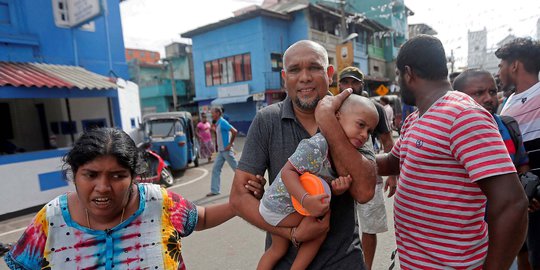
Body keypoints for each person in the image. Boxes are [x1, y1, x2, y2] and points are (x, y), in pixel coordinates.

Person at [375, 35, 528, 269]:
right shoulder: (415, 119)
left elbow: (512, 204)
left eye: (398, 75)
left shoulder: (462, 115)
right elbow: (390, 163)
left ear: (408, 73)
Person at [230, 40, 377, 269]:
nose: (305, 77)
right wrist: (293, 233)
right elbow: (239, 199)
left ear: (329, 73)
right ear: (284, 77)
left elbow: (365, 191)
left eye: (314, 68)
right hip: (285, 262)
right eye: (295, 70)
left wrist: (328, 121)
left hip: (344, 261)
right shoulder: (267, 120)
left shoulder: (351, 114)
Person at [3, 128, 237, 269]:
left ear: (133, 177)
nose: (103, 187)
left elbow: (201, 218)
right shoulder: (51, 218)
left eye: (117, 176)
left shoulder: (159, 202)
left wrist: (237, 205)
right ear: (75, 174)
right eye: (91, 175)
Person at [258, 95, 379, 270]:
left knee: (277, 249)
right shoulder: (317, 146)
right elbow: (287, 173)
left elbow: (318, 183)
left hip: (287, 204)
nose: (364, 135)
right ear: (337, 117)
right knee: (320, 228)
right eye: (360, 125)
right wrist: (306, 200)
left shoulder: (350, 150)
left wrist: (336, 190)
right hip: (278, 206)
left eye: (369, 131)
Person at [454, 69, 531, 269]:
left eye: (492, 91)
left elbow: (522, 165)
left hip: (504, 231)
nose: (489, 98)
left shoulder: (509, 125)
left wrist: (528, 191)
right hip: (466, 238)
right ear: (458, 97)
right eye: (478, 93)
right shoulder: (449, 132)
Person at [338, 66, 397, 270]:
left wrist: (393, 175)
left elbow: (388, 142)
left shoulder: (375, 108)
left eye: (354, 82)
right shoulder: (332, 107)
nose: (350, 86)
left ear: (362, 84)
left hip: (368, 174)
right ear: (339, 85)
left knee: (369, 227)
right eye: (345, 82)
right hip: (337, 177)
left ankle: (366, 267)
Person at [496, 37, 540, 269]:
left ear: (514, 66)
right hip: (521, 198)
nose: (499, 72)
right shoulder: (509, 101)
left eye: (501, 65)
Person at [208, 107, 238, 196]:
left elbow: (234, 131)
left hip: (226, 151)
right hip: (221, 152)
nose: (211, 115)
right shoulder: (218, 123)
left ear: (217, 113)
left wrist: (230, 144)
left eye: (212, 113)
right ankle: (215, 190)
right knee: (215, 170)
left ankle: (247, 186)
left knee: (238, 170)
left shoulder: (223, 122)